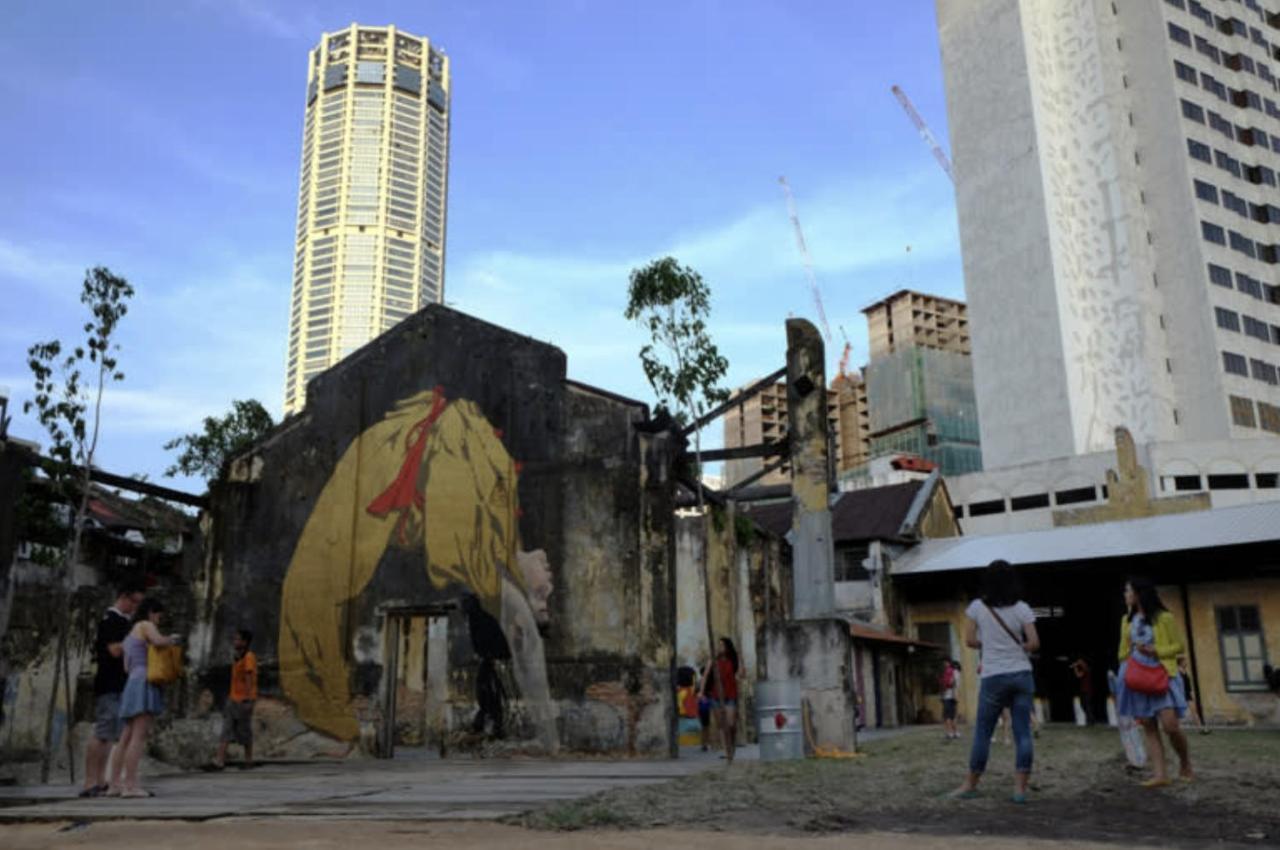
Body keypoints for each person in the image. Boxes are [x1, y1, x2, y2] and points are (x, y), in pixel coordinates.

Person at [953, 560, 1039, 804]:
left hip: (994, 676)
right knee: (1022, 732)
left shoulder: (977, 608)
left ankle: (970, 784)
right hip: (1022, 674)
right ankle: (1020, 790)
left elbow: (969, 640)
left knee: (983, 731)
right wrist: (1019, 646)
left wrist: (989, 644)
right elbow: (1034, 642)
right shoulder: (1022, 608)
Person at [1116, 579, 1193, 787]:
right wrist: (1129, 652)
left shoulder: (1164, 617)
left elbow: (1179, 645)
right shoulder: (1126, 620)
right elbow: (1121, 652)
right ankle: (1160, 774)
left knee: (1170, 725)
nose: (1125, 594)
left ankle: (1185, 762)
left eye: (1128, 590)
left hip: (1161, 675)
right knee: (1149, 726)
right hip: (1137, 678)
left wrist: (1156, 650)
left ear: (1139, 593)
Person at [108, 599, 180, 797]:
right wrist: (172, 639)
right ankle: (130, 785)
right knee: (138, 737)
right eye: (158, 615)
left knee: (125, 737)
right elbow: (158, 641)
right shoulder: (145, 625)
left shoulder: (130, 635)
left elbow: (125, 665)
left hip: (131, 682)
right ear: (151, 612)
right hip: (144, 683)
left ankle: (114, 784)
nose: (158, 620)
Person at [80, 584, 144, 798]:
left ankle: (101, 780)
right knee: (102, 731)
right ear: (124, 597)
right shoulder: (110, 620)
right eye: (134, 601)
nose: (135, 607)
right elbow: (114, 650)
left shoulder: (124, 622)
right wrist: (137, 639)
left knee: (111, 734)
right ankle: (90, 781)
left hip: (120, 683)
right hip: (109, 682)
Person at [211, 629, 258, 769]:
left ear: (245, 642)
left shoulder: (249, 657)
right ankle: (219, 760)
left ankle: (248, 761)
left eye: (238, 639)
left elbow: (249, 677)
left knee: (244, 731)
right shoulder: (237, 656)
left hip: (244, 699)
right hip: (233, 698)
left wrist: (249, 699)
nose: (235, 641)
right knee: (226, 729)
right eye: (235, 639)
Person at [700, 638, 740, 763]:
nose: (719, 647)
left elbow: (739, 674)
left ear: (727, 647)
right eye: (718, 645)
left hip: (730, 694)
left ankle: (731, 746)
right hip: (716, 695)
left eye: (722, 645)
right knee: (721, 725)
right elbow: (705, 676)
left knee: (731, 724)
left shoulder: (733, 660)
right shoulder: (713, 660)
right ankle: (727, 752)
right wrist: (701, 692)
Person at [1177, 656, 1209, 734]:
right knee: (1176, 712)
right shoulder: (1177, 671)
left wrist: (1191, 692)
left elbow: (1188, 684)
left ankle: (1201, 729)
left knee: (1194, 711)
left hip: (1188, 694)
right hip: (1180, 693)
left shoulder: (1185, 671)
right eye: (1184, 661)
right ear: (1180, 662)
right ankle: (1175, 730)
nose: (1186, 663)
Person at [1070, 654, 1094, 724]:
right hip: (1084, 690)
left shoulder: (1086, 669)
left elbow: (1078, 675)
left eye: (1080, 661)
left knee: (1087, 705)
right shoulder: (1084, 668)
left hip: (1087, 690)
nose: (1079, 662)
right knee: (1083, 704)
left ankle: (1090, 720)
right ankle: (1089, 719)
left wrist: (1075, 667)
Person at [940, 659, 960, 741]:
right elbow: (955, 684)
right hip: (954, 696)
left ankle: (949, 733)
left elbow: (950, 683)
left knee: (947, 716)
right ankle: (955, 732)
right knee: (953, 716)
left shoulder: (949, 672)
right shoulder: (957, 673)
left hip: (947, 696)